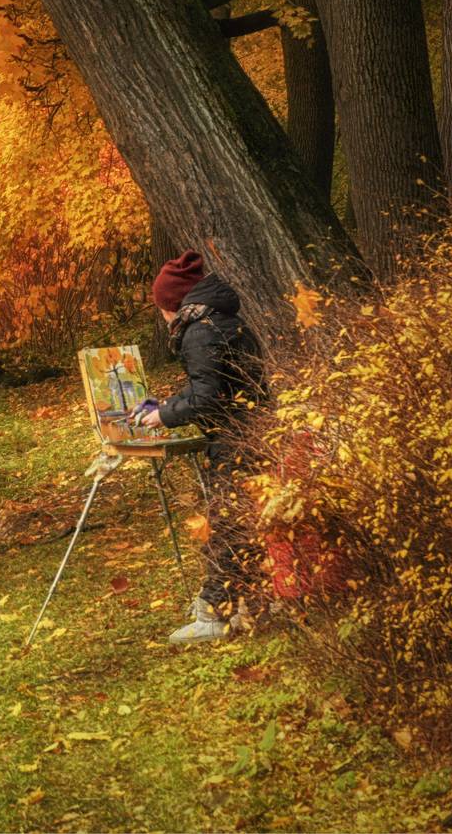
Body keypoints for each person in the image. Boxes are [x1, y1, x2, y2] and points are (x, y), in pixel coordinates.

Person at [135, 250, 264, 644]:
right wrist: (170, 404)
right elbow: (214, 384)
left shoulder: (199, 330)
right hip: (252, 432)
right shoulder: (221, 319)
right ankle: (246, 606)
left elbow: (208, 397)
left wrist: (164, 416)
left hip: (236, 438)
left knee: (227, 525)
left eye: (162, 309)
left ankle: (213, 616)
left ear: (174, 304)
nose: (163, 318)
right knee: (242, 523)